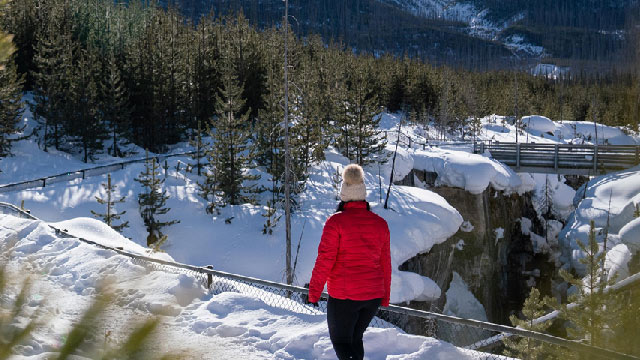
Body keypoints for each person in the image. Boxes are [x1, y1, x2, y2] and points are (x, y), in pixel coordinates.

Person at [307, 164, 391, 360]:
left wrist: (314, 293)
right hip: (372, 296)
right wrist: (384, 296)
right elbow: (385, 263)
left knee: (342, 342)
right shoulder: (380, 223)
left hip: (345, 297)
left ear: (344, 194)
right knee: (355, 339)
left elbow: (325, 260)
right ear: (363, 194)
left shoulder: (335, 222)